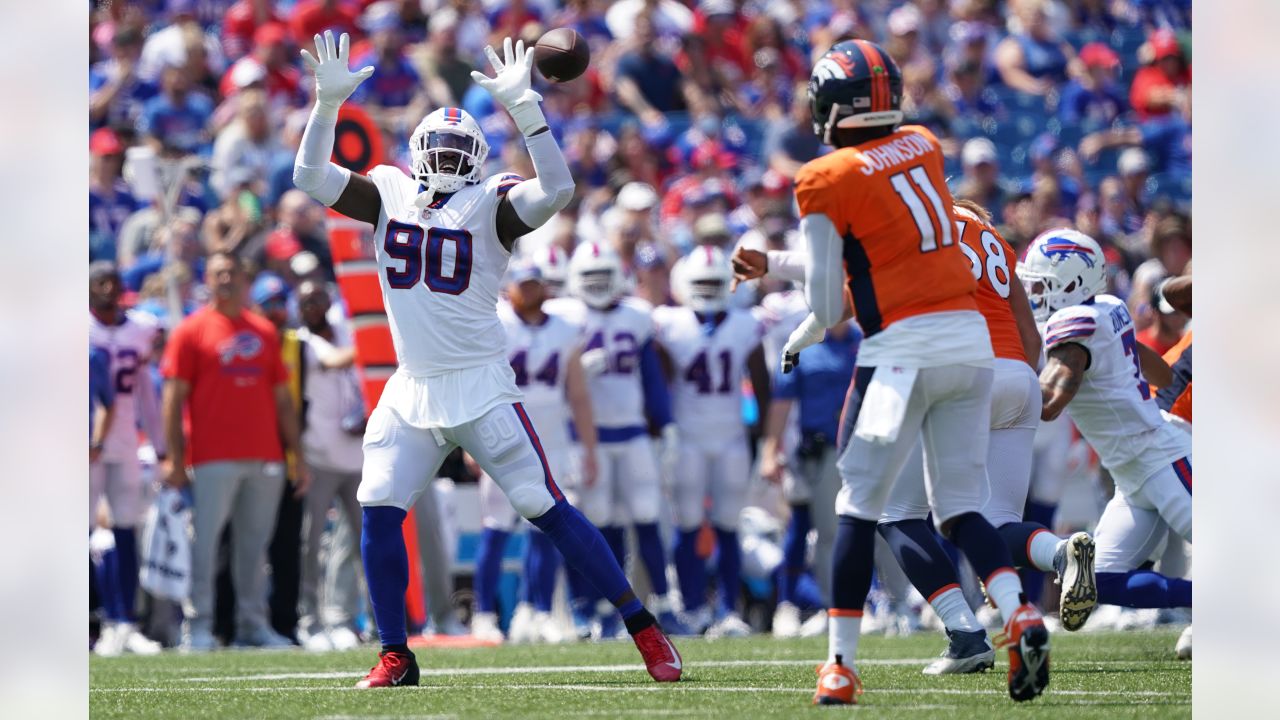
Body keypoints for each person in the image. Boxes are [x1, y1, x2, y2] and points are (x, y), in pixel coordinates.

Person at [290, 32, 682, 686]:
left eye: (455, 150)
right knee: (379, 504)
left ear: (474, 159)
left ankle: (643, 625)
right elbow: (308, 176)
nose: (443, 159)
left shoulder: (491, 205)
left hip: (479, 387)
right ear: (417, 153)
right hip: (412, 388)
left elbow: (555, 190)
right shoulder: (387, 192)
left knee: (542, 504)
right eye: (435, 148)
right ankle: (395, 653)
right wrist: (325, 106)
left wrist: (528, 110)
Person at [734, 40, 1048, 704]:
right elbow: (877, 253)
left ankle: (840, 666)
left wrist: (802, 318)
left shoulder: (824, 177)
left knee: (858, 508)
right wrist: (779, 262)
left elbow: (830, 301)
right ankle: (1018, 612)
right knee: (960, 507)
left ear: (831, 106)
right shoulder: (923, 145)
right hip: (969, 344)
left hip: (901, 355)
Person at [1023, 228, 1192, 655]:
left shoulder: (1073, 323)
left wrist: (992, 395)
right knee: (1096, 580)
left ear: (1072, 283)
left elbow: (1051, 401)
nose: (1035, 293)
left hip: (1160, 456)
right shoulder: (1109, 307)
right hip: (1132, 475)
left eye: (1041, 284)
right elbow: (1161, 373)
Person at [161, 251, 309, 651]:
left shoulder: (262, 331)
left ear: (244, 280)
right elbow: (173, 400)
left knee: (254, 547)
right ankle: (200, 627)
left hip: (265, 456)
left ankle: (252, 625)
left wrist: (297, 455)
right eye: (218, 272)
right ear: (207, 279)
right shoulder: (189, 332)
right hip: (211, 456)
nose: (226, 278)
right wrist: (175, 457)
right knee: (205, 545)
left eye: (232, 272)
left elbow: (282, 400)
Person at [557, 241, 687, 638]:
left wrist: (665, 425)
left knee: (647, 517)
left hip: (631, 432)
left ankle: (664, 601)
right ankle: (602, 607)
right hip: (586, 437)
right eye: (590, 277)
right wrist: (575, 372)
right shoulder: (565, 317)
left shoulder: (637, 316)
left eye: (603, 276)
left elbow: (651, 377)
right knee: (598, 523)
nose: (597, 284)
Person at [470, 262, 597, 645]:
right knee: (496, 528)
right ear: (508, 289)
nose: (528, 292)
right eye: (521, 285)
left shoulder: (564, 328)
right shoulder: (495, 324)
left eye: (533, 285)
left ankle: (542, 611)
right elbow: (476, 382)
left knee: (546, 528)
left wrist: (588, 447)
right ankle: (484, 614)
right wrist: (471, 441)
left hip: (551, 439)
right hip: (501, 435)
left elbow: (577, 393)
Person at [654, 247, 770, 636]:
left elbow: (762, 384)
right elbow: (661, 382)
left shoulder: (744, 324)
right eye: (700, 283)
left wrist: (768, 438)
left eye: (713, 283)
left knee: (728, 524)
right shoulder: (669, 325)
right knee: (687, 524)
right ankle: (690, 608)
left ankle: (726, 609)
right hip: (687, 438)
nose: (706, 290)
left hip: (730, 437)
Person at [89, 261, 165, 657]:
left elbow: (147, 397)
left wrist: (161, 445)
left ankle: (124, 622)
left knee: (125, 530)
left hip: (122, 442)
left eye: (113, 282)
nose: (107, 288)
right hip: (82, 446)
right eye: (99, 282)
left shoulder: (139, 328)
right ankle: (96, 622)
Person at [293, 279, 366, 652]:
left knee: (361, 542)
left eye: (319, 298)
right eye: (306, 301)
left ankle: (347, 617)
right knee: (311, 542)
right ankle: (310, 619)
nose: (313, 306)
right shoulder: (302, 342)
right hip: (319, 456)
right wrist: (374, 342)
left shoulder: (343, 331)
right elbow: (334, 360)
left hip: (357, 455)